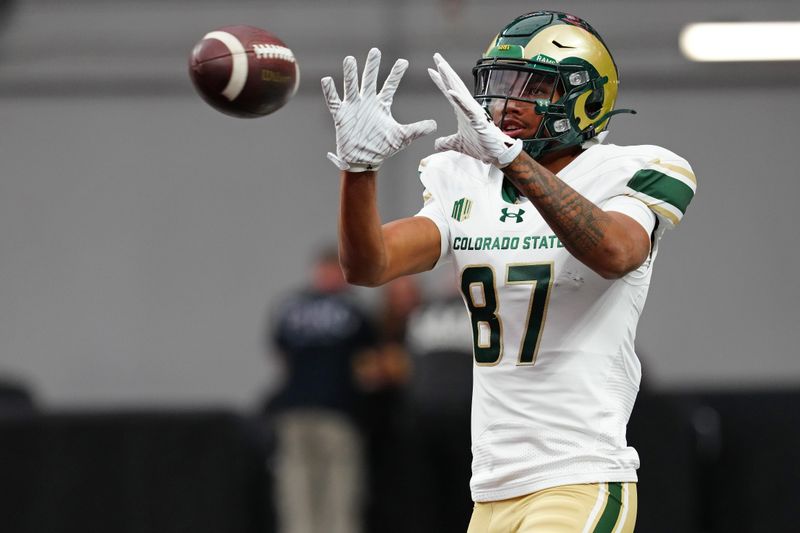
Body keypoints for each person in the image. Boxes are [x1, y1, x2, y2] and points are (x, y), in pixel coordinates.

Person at [321, 10, 696, 533]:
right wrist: (359, 173)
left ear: (586, 98)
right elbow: (368, 265)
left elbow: (616, 252)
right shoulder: (466, 178)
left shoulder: (631, 169)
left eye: (535, 86)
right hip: (493, 486)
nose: (508, 103)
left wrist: (515, 162)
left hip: (578, 473)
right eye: (500, 85)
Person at [266, 246, 377, 533]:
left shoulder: (291, 308)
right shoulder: (352, 310)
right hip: (331, 407)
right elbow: (367, 364)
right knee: (330, 490)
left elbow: (281, 355)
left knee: (304, 490)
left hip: (306, 407)